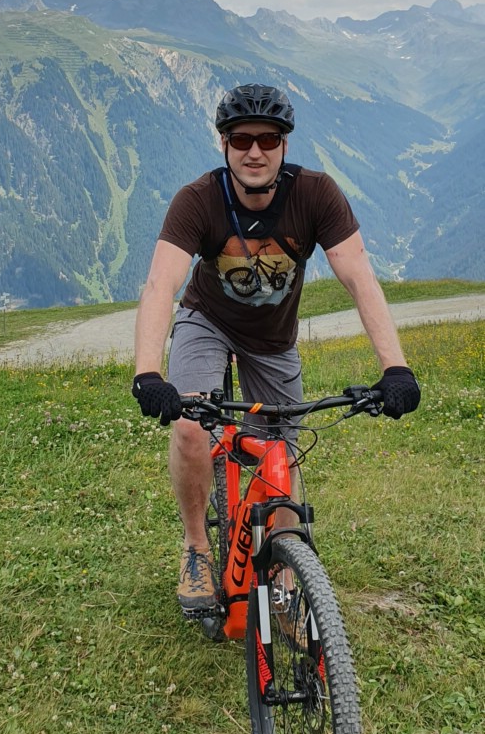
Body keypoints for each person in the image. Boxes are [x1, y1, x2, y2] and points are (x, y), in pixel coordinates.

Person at [132, 82, 421, 618]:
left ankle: (286, 567)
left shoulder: (316, 195)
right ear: (224, 144)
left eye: (268, 139)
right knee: (192, 428)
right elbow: (159, 284)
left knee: (281, 455)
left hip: (273, 341)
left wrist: (395, 367)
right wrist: (149, 372)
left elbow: (360, 277)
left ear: (285, 145)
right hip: (207, 320)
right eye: (242, 139)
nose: (255, 152)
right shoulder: (198, 200)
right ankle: (196, 547)